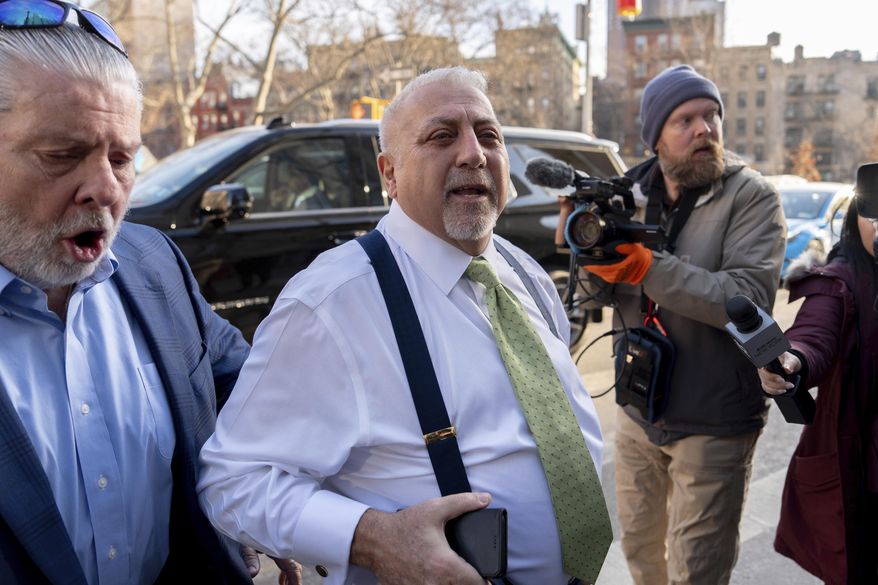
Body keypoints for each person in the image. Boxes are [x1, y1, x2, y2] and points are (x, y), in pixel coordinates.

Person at [198, 66, 611, 585]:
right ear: (389, 174)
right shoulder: (330, 302)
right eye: (442, 136)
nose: (473, 154)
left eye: (488, 135)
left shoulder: (523, 273)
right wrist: (373, 538)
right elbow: (234, 481)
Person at [0, 6, 299, 584]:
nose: (106, 190)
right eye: (61, 156)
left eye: (123, 158)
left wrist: (283, 504)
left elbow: (240, 387)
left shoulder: (153, 262)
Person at [563, 64, 786, 585]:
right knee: (640, 548)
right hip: (640, 408)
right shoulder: (629, 193)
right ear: (657, 137)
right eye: (685, 120)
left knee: (696, 570)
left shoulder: (752, 196)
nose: (704, 129)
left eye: (711, 116)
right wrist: (583, 248)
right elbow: (599, 298)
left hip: (714, 418)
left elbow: (747, 298)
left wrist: (648, 266)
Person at [757, 162, 878, 585]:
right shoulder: (840, 281)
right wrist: (792, 360)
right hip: (865, 480)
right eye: (872, 211)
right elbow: (814, 333)